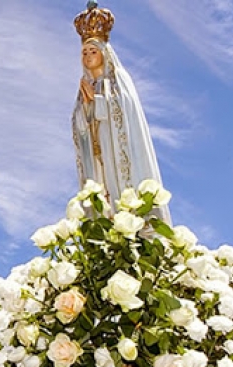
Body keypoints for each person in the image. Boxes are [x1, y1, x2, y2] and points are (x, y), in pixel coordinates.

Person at [71, 1, 171, 224]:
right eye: (84, 52)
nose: (88, 56)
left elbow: (124, 110)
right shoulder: (85, 86)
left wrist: (96, 102)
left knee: (122, 198)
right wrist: (86, 107)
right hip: (97, 158)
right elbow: (79, 127)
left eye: (93, 51)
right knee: (101, 197)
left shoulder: (118, 80)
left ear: (104, 53)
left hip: (117, 154)